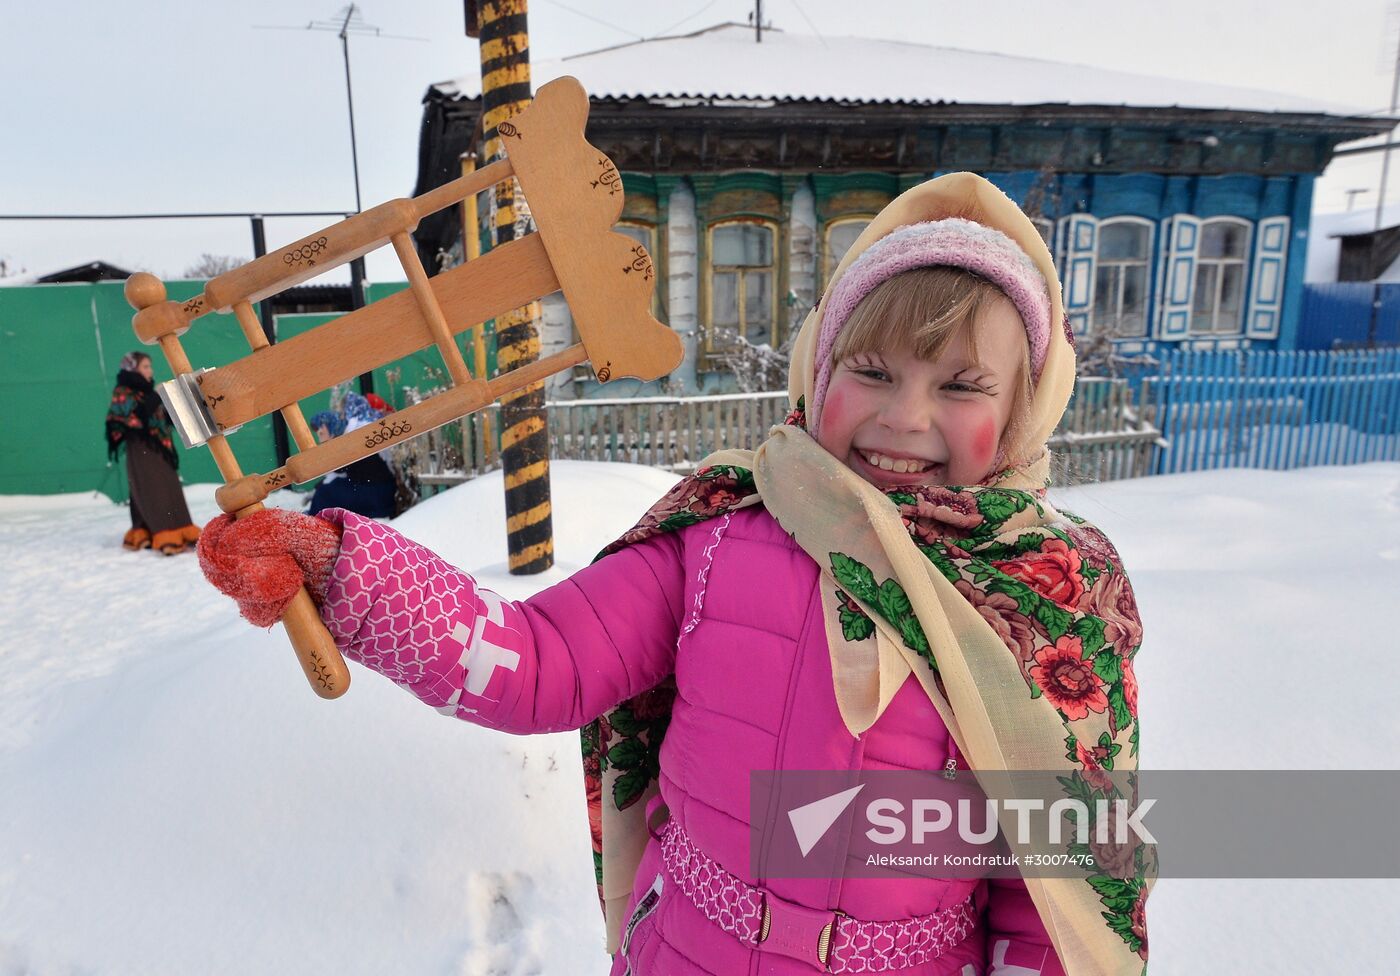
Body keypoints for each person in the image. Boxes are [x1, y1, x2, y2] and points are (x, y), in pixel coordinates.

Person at [196, 174, 1148, 975]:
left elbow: (1056, 889)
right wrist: (342, 570)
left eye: (960, 385)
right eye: (873, 370)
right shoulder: (722, 534)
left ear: (1025, 406)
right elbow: (537, 660)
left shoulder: (1050, 598)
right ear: (818, 369)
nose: (905, 417)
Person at [105, 350, 200, 555]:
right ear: (132, 368)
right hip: (141, 447)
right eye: (145, 366)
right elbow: (134, 418)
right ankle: (166, 533)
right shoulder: (124, 391)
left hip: (159, 447)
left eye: (150, 366)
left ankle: (153, 530)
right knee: (152, 487)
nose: (150, 370)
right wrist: (156, 396)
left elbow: (159, 419)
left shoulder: (146, 391)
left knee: (166, 485)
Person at [305, 393, 399, 519]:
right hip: (376, 490)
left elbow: (341, 467)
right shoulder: (349, 434)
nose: (320, 437)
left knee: (324, 492)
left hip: (377, 494)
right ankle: (317, 516)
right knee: (326, 488)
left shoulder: (353, 436)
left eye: (322, 432)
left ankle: (316, 519)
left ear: (331, 428)